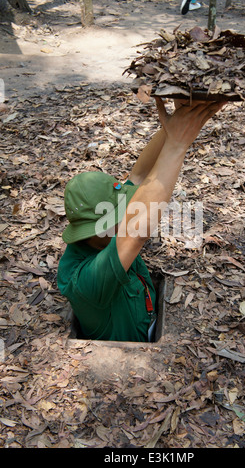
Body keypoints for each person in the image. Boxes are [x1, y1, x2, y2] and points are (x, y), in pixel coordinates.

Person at [57, 98, 225, 342]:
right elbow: (136, 234)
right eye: (120, 214)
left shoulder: (100, 237)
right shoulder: (84, 280)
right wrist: (177, 145)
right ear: (96, 228)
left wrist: (180, 118)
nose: (130, 212)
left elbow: (140, 175)